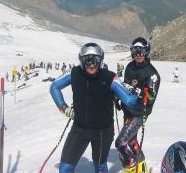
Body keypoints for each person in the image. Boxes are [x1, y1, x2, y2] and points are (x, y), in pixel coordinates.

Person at [50, 42, 139, 173]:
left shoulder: (110, 77)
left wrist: (140, 96)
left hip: (103, 131)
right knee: (65, 169)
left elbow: (129, 100)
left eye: (96, 60)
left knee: (100, 167)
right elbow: (54, 87)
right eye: (87, 60)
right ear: (81, 60)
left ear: (101, 60)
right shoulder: (74, 73)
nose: (92, 64)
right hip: (79, 129)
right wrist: (64, 108)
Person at [115, 37, 161, 173]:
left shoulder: (152, 74)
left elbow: (150, 99)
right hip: (128, 111)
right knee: (131, 142)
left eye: (142, 51)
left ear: (147, 52)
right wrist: (118, 95)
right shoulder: (129, 67)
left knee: (121, 143)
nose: (139, 54)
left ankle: (131, 169)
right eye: (136, 50)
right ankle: (142, 169)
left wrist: (134, 92)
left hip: (139, 113)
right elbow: (124, 88)